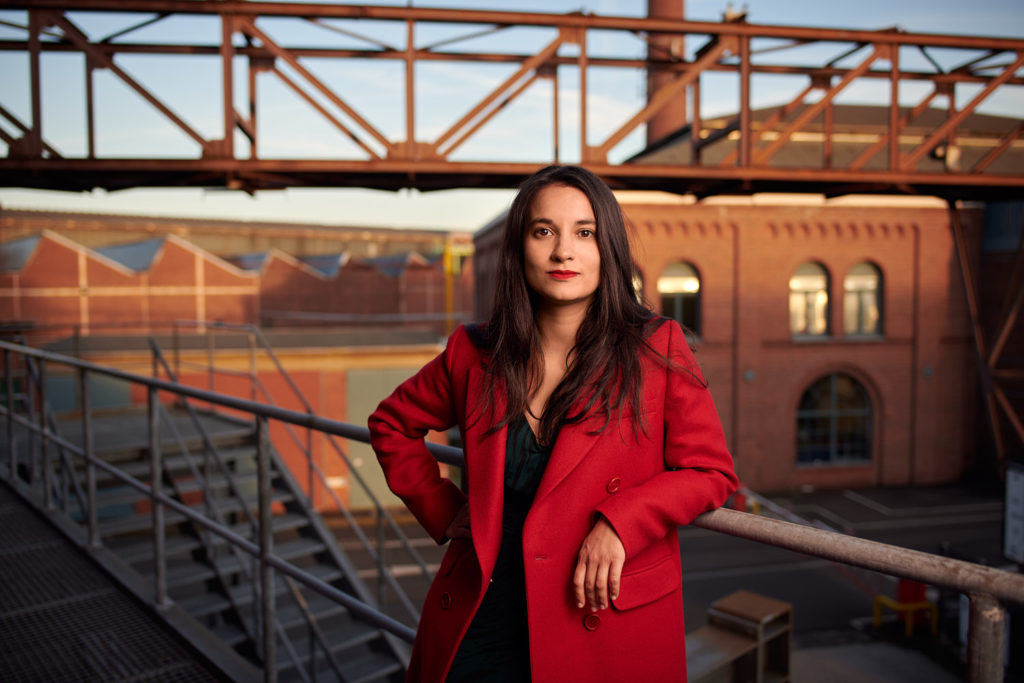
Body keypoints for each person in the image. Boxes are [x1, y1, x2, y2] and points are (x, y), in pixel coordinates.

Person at [368, 165, 737, 682]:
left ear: (606, 247)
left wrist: (622, 521)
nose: (564, 251)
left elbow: (711, 472)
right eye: (544, 231)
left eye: (584, 233)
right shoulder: (474, 353)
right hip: (485, 606)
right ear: (520, 250)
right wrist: (440, 505)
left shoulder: (657, 347)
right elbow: (391, 424)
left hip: (598, 613)